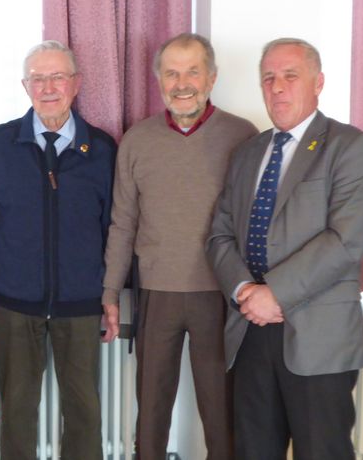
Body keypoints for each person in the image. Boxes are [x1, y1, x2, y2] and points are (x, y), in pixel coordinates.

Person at [206, 38, 363, 460]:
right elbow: (219, 235)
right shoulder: (248, 152)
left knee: (322, 450)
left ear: (318, 82)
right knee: (253, 450)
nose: (278, 87)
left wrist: (274, 293)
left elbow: (345, 242)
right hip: (251, 329)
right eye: (268, 78)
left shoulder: (350, 147)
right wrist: (247, 293)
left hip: (318, 336)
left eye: (290, 76)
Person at [102, 33, 257, 459]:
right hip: (157, 293)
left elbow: (256, 224)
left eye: (192, 71)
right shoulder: (137, 140)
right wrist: (111, 293)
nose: (182, 82)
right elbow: (122, 223)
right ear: (158, 80)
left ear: (212, 77)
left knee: (220, 412)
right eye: (172, 72)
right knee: (150, 413)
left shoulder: (243, 136)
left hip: (221, 294)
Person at [0, 40, 117, 460]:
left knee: (84, 412)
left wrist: (113, 293)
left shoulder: (102, 149)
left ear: (76, 83)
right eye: (38, 78)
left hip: (82, 303)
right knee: (16, 410)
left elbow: (116, 228)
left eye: (58, 77)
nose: (48, 87)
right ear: (25, 86)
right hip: (13, 302)